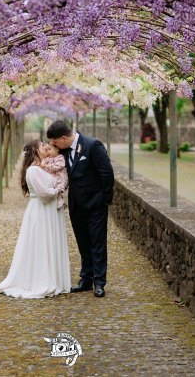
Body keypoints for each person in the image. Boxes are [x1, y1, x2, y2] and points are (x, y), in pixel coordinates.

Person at [0, 139, 72, 298]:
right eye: (42, 145)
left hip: (51, 211)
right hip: (41, 211)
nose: (46, 147)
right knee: (41, 244)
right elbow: (44, 194)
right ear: (35, 150)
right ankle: (41, 279)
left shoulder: (45, 168)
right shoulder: (33, 171)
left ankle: (54, 279)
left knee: (51, 242)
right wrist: (58, 189)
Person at [47, 119, 114, 298]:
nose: (54, 145)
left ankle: (99, 282)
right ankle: (86, 279)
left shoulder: (93, 145)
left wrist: (105, 200)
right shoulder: (63, 150)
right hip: (76, 205)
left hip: (96, 204)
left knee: (97, 243)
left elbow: (106, 173)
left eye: (55, 142)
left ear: (63, 138)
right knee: (83, 243)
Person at [39, 143, 68, 211]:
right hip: (53, 178)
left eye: (49, 149)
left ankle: (60, 201)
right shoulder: (47, 159)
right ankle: (56, 201)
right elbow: (42, 165)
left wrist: (46, 166)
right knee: (52, 189)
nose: (48, 151)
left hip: (60, 178)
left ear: (57, 149)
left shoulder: (60, 157)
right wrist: (43, 162)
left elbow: (57, 167)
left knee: (58, 189)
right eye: (46, 150)